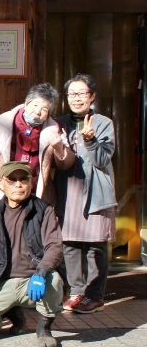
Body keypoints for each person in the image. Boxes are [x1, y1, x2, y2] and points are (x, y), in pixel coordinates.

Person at [0, 162, 65, 347]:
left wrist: (41, 272)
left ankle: (44, 328)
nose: (18, 184)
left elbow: (55, 247)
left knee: (54, 280)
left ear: (31, 183)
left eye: (23, 179)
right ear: (1, 184)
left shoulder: (44, 210)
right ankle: (12, 313)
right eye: (12, 180)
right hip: (2, 283)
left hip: (33, 282)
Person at [55, 74, 116, 314]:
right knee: (69, 243)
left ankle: (94, 296)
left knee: (95, 245)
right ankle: (77, 291)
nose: (76, 98)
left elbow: (102, 159)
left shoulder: (103, 123)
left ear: (92, 97)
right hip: (68, 190)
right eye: (72, 94)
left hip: (96, 191)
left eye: (81, 93)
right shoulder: (59, 122)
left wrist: (90, 140)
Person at [0, 83, 74, 210]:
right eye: (35, 105)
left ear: (49, 113)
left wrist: (59, 147)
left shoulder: (54, 129)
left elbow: (66, 164)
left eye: (44, 109)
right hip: (2, 195)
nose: (38, 112)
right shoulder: (2, 123)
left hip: (37, 197)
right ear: (26, 103)